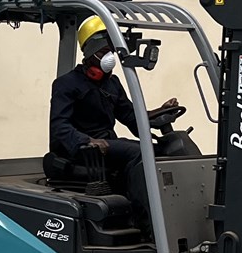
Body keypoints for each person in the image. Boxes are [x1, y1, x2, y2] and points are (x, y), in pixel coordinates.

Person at [48, 15, 177, 226]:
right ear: (90, 52)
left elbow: (129, 115)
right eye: (103, 52)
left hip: (107, 144)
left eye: (111, 51)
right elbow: (59, 126)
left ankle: (166, 215)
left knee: (160, 150)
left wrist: (159, 112)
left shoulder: (111, 83)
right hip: (84, 151)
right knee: (138, 152)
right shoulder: (66, 84)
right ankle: (143, 221)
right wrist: (85, 140)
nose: (109, 57)